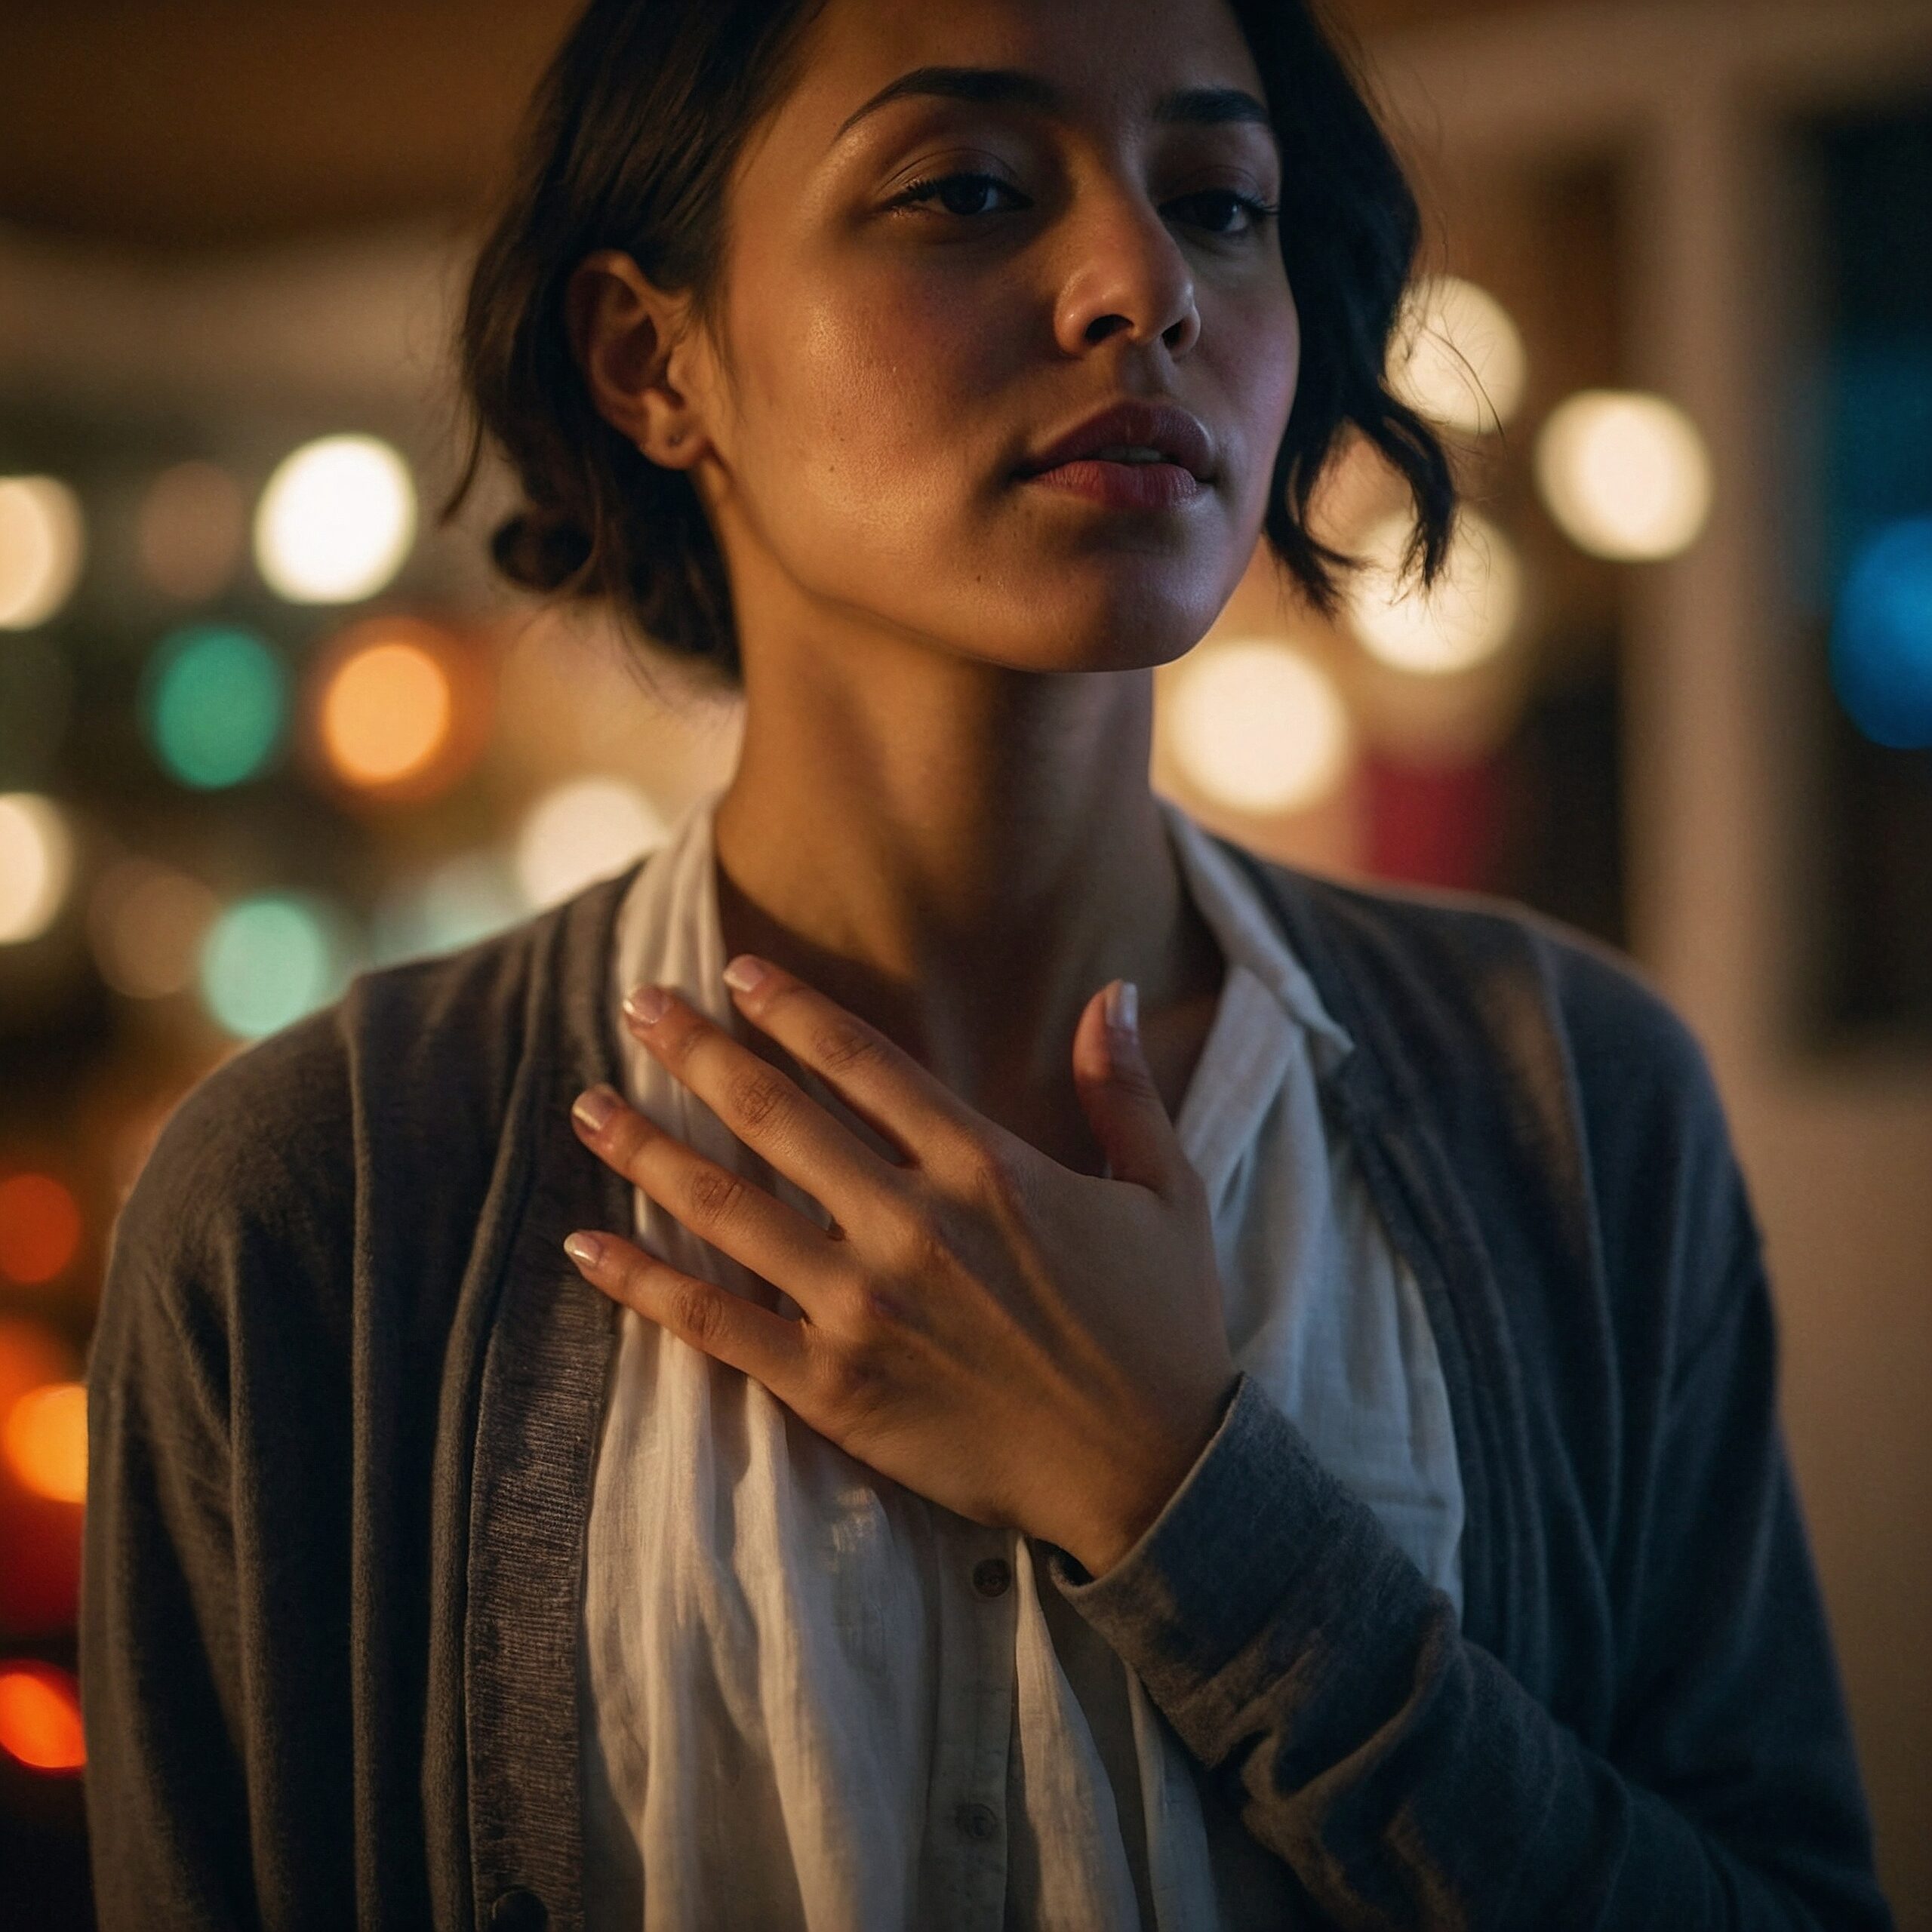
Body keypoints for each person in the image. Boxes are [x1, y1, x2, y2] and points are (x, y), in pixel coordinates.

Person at [80, 0, 1893, 1926]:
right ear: (653, 355)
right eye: (959, 187)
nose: (1141, 285)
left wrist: (1183, 1496)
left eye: (1218, 201)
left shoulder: (1565, 1097)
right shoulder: (329, 1197)